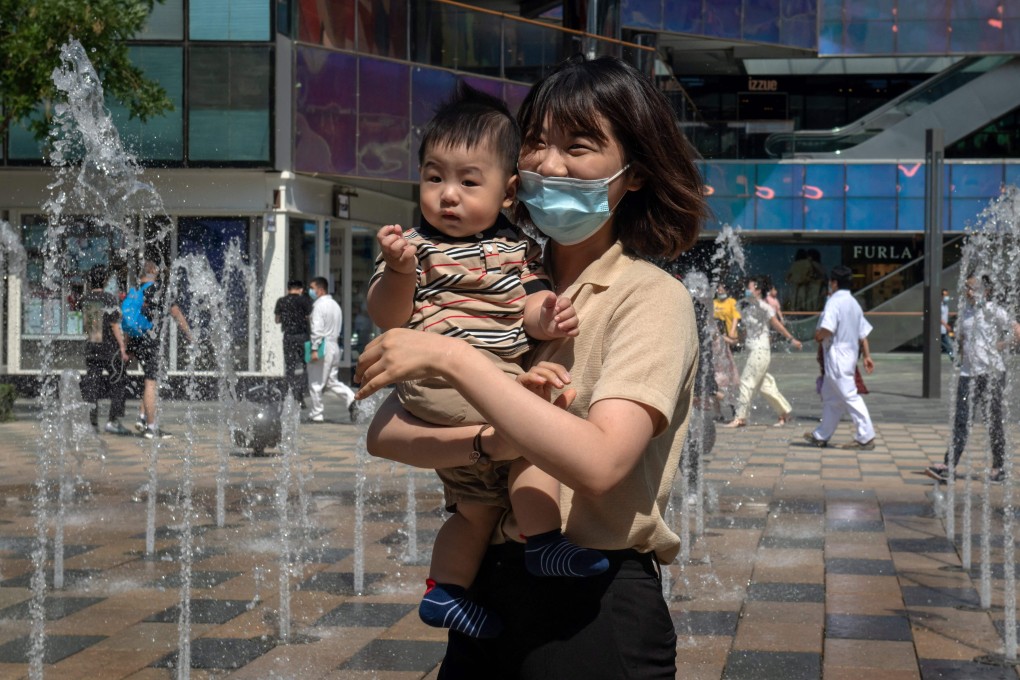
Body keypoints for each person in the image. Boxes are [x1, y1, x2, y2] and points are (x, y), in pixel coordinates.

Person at [356, 54, 705, 678]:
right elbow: (387, 435)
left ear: (634, 175)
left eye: (578, 146)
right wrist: (493, 441)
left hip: (590, 606)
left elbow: (601, 462)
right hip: (488, 589)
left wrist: (451, 356)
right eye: (537, 142)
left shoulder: (649, 298)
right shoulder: (482, 277)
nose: (549, 163)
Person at [368, 83, 601, 640]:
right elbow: (386, 316)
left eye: (469, 182)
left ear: (508, 192)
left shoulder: (519, 249)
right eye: (433, 177)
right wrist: (398, 271)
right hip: (438, 379)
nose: (448, 195)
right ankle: (544, 544)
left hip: (483, 387)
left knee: (475, 506)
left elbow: (528, 307)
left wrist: (548, 316)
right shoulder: (416, 247)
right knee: (537, 432)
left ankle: (445, 593)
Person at [925, 275, 1020, 483]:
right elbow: (963, 339)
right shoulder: (965, 312)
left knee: (992, 420)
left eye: (973, 288)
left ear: (985, 291)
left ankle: (999, 467)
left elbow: (1017, 330)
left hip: (992, 373)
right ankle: (949, 466)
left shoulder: (992, 310)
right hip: (968, 374)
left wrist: (1001, 346)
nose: (968, 291)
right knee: (961, 419)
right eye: (966, 287)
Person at [803, 265, 876, 449]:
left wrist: (818, 335)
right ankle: (821, 434)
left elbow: (828, 328)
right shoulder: (854, 303)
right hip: (849, 353)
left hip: (838, 354)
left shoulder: (834, 301)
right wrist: (867, 355)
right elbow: (862, 333)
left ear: (834, 283)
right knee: (831, 397)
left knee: (849, 395)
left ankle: (866, 436)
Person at [123, 260, 192, 440]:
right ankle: (151, 428)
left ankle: (142, 417)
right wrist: (190, 336)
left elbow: (129, 320)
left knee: (149, 381)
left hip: (137, 340)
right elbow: (175, 313)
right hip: (151, 342)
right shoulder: (160, 291)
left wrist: (127, 347)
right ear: (154, 272)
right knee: (151, 383)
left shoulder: (136, 291)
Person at [723, 275, 802, 428]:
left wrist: (791, 339)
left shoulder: (765, 308)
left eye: (750, 287)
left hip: (760, 350)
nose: (746, 290)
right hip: (752, 349)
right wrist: (732, 340)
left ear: (758, 291)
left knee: (746, 381)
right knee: (765, 385)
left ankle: (740, 417)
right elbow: (744, 332)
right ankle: (784, 413)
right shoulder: (743, 306)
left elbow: (777, 325)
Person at [79, 265, 130, 434]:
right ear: (105, 280)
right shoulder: (109, 299)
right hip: (110, 349)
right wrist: (122, 347)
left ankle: (92, 422)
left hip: (93, 347)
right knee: (119, 381)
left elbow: (89, 328)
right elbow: (115, 325)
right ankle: (113, 421)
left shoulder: (86, 299)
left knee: (92, 384)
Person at [306, 276, 356, 423]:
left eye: (312, 288)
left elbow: (317, 329)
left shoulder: (319, 306)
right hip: (334, 345)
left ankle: (317, 413)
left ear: (320, 290)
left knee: (315, 382)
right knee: (331, 381)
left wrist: (314, 348)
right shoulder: (335, 305)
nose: (311, 291)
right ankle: (352, 399)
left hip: (323, 345)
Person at [274, 279, 313, 408]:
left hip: (288, 337)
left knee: (289, 367)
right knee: (304, 365)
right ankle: (300, 396)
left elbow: (277, 320)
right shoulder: (304, 301)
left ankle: (289, 395)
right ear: (300, 289)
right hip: (302, 336)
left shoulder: (282, 301)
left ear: (288, 289)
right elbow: (309, 317)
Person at [712, 280, 741, 420]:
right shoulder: (714, 303)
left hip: (729, 339)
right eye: (718, 289)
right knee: (714, 382)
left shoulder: (732, 302)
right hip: (718, 343)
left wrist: (731, 334)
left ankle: (733, 407)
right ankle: (718, 414)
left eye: (722, 289)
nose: (720, 291)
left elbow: (735, 318)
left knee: (729, 381)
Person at [940, 287, 955, 360]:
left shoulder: (945, 305)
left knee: (947, 346)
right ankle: (954, 359)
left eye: (947, 295)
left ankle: (953, 358)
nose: (946, 297)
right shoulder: (939, 305)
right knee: (949, 345)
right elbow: (938, 317)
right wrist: (946, 326)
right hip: (939, 330)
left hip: (943, 330)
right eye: (944, 295)